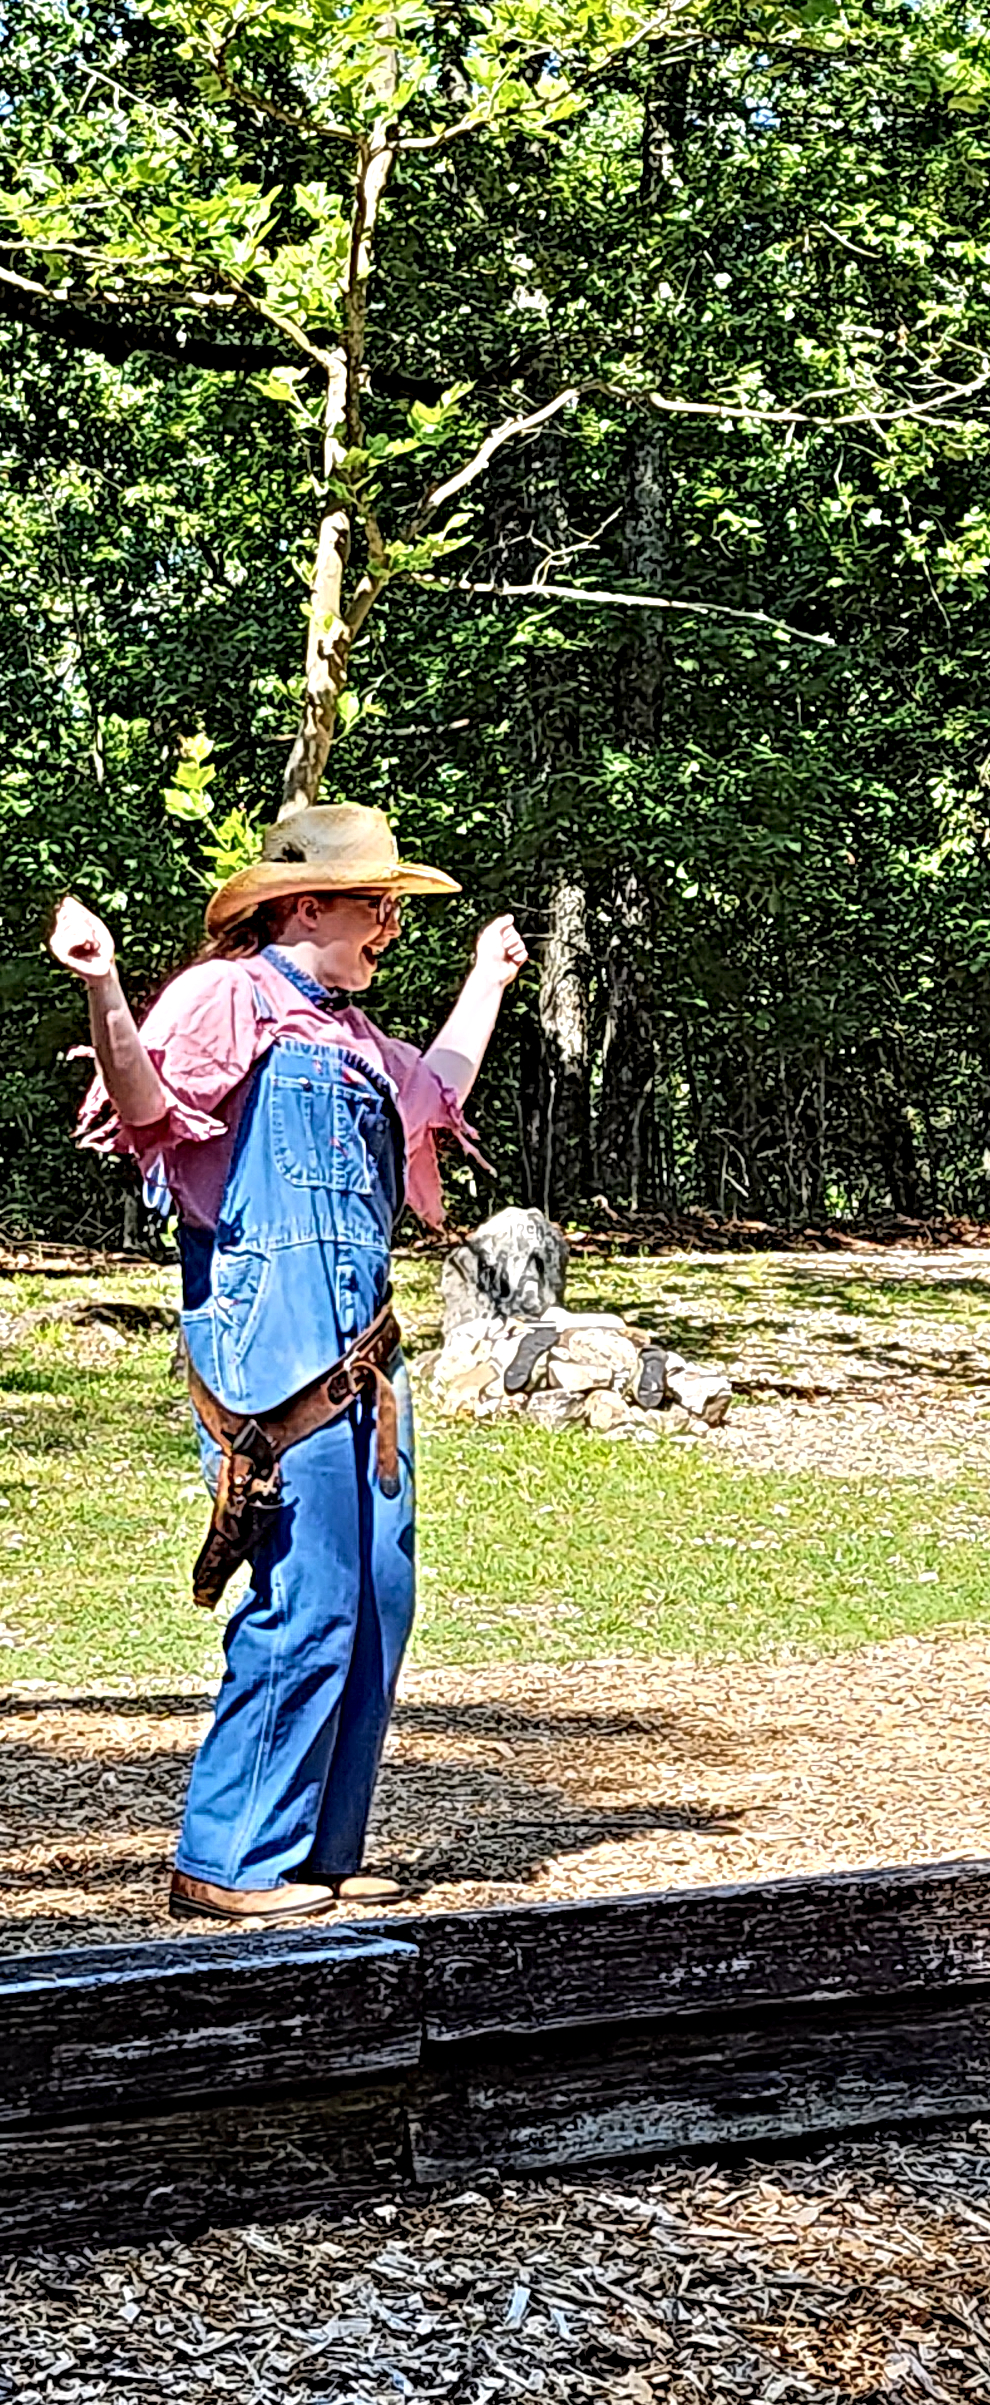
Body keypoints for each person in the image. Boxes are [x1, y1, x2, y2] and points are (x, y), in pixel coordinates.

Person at [49, 800, 527, 1918]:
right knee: (305, 1602)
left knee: (377, 1601)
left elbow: (436, 1090)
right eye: (378, 909)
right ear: (306, 905)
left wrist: (490, 981)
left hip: (369, 1361)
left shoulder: (354, 1038)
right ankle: (225, 1857)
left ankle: (316, 1848)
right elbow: (147, 1106)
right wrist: (102, 984)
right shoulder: (228, 996)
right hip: (276, 1362)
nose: (386, 932)